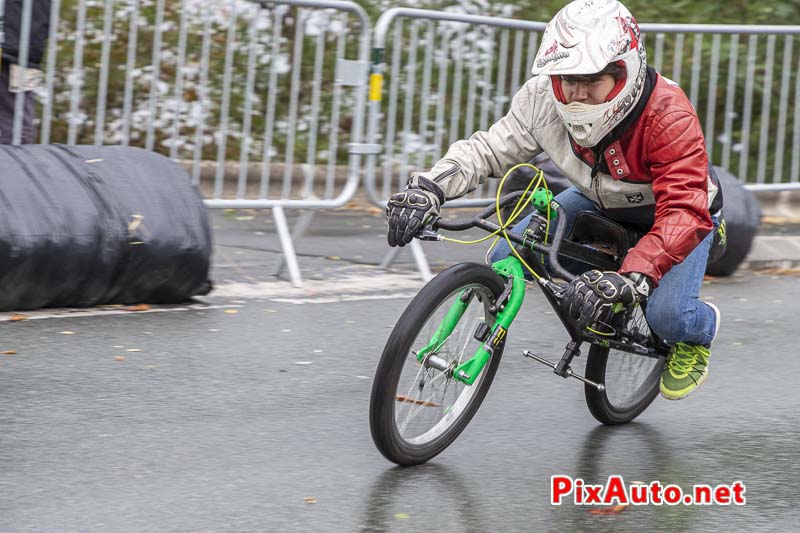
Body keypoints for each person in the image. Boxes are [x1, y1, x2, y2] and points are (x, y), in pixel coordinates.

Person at [385, 0, 724, 401]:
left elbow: (684, 208)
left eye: (590, 80)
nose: (576, 93)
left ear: (624, 71)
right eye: (566, 79)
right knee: (508, 254)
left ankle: (698, 331)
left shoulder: (668, 113)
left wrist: (631, 276)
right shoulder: (543, 99)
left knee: (668, 318)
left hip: (679, 218)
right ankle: (597, 296)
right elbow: (489, 148)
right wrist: (427, 188)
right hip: (598, 202)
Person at [0, 0, 51, 144]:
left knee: (15, 122)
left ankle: (12, 161)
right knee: (20, 117)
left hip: (10, 52)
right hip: (29, 53)